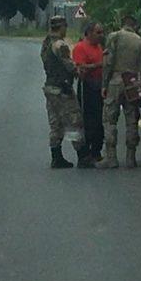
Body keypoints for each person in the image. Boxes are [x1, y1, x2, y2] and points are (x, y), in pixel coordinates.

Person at [97, 15, 141, 169]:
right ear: (135, 26)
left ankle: (111, 158)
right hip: (133, 83)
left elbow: (108, 62)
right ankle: (131, 158)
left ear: (122, 24)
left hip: (116, 81)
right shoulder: (140, 40)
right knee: (132, 120)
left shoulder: (114, 37)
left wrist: (104, 84)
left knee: (110, 119)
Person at [40, 16, 94, 169]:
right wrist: (79, 71)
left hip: (50, 87)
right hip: (62, 89)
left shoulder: (46, 43)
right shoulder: (60, 45)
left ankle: (56, 156)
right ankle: (82, 155)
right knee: (74, 121)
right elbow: (69, 65)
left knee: (55, 123)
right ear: (62, 27)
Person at [72, 21, 105, 162]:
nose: (101, 35)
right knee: (88, 120)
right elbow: (80, 70)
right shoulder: (80, 47)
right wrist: (97, 65)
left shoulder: (99, 47)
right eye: (98, 32)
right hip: (87, 87)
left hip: (100, 85)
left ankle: (96, 151)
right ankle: (85, 152)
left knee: (100, 119)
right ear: (89, 33)